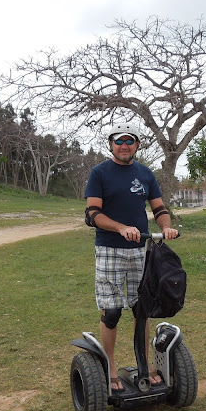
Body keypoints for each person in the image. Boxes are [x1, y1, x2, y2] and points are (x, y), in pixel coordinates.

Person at [84, 123, 179, 392]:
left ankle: (145, 365)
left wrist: (165, 227)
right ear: (111, 144)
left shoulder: (145, 174)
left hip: (141, 251)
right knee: (112, 312)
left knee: (142, 310)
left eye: (130, 140)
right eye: (119, 140)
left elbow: (159, 208)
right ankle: (111, 368)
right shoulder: (99, 173)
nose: (124, 145)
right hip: (110, 249)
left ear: (137, 144)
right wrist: (121, 227)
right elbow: (92, 214)